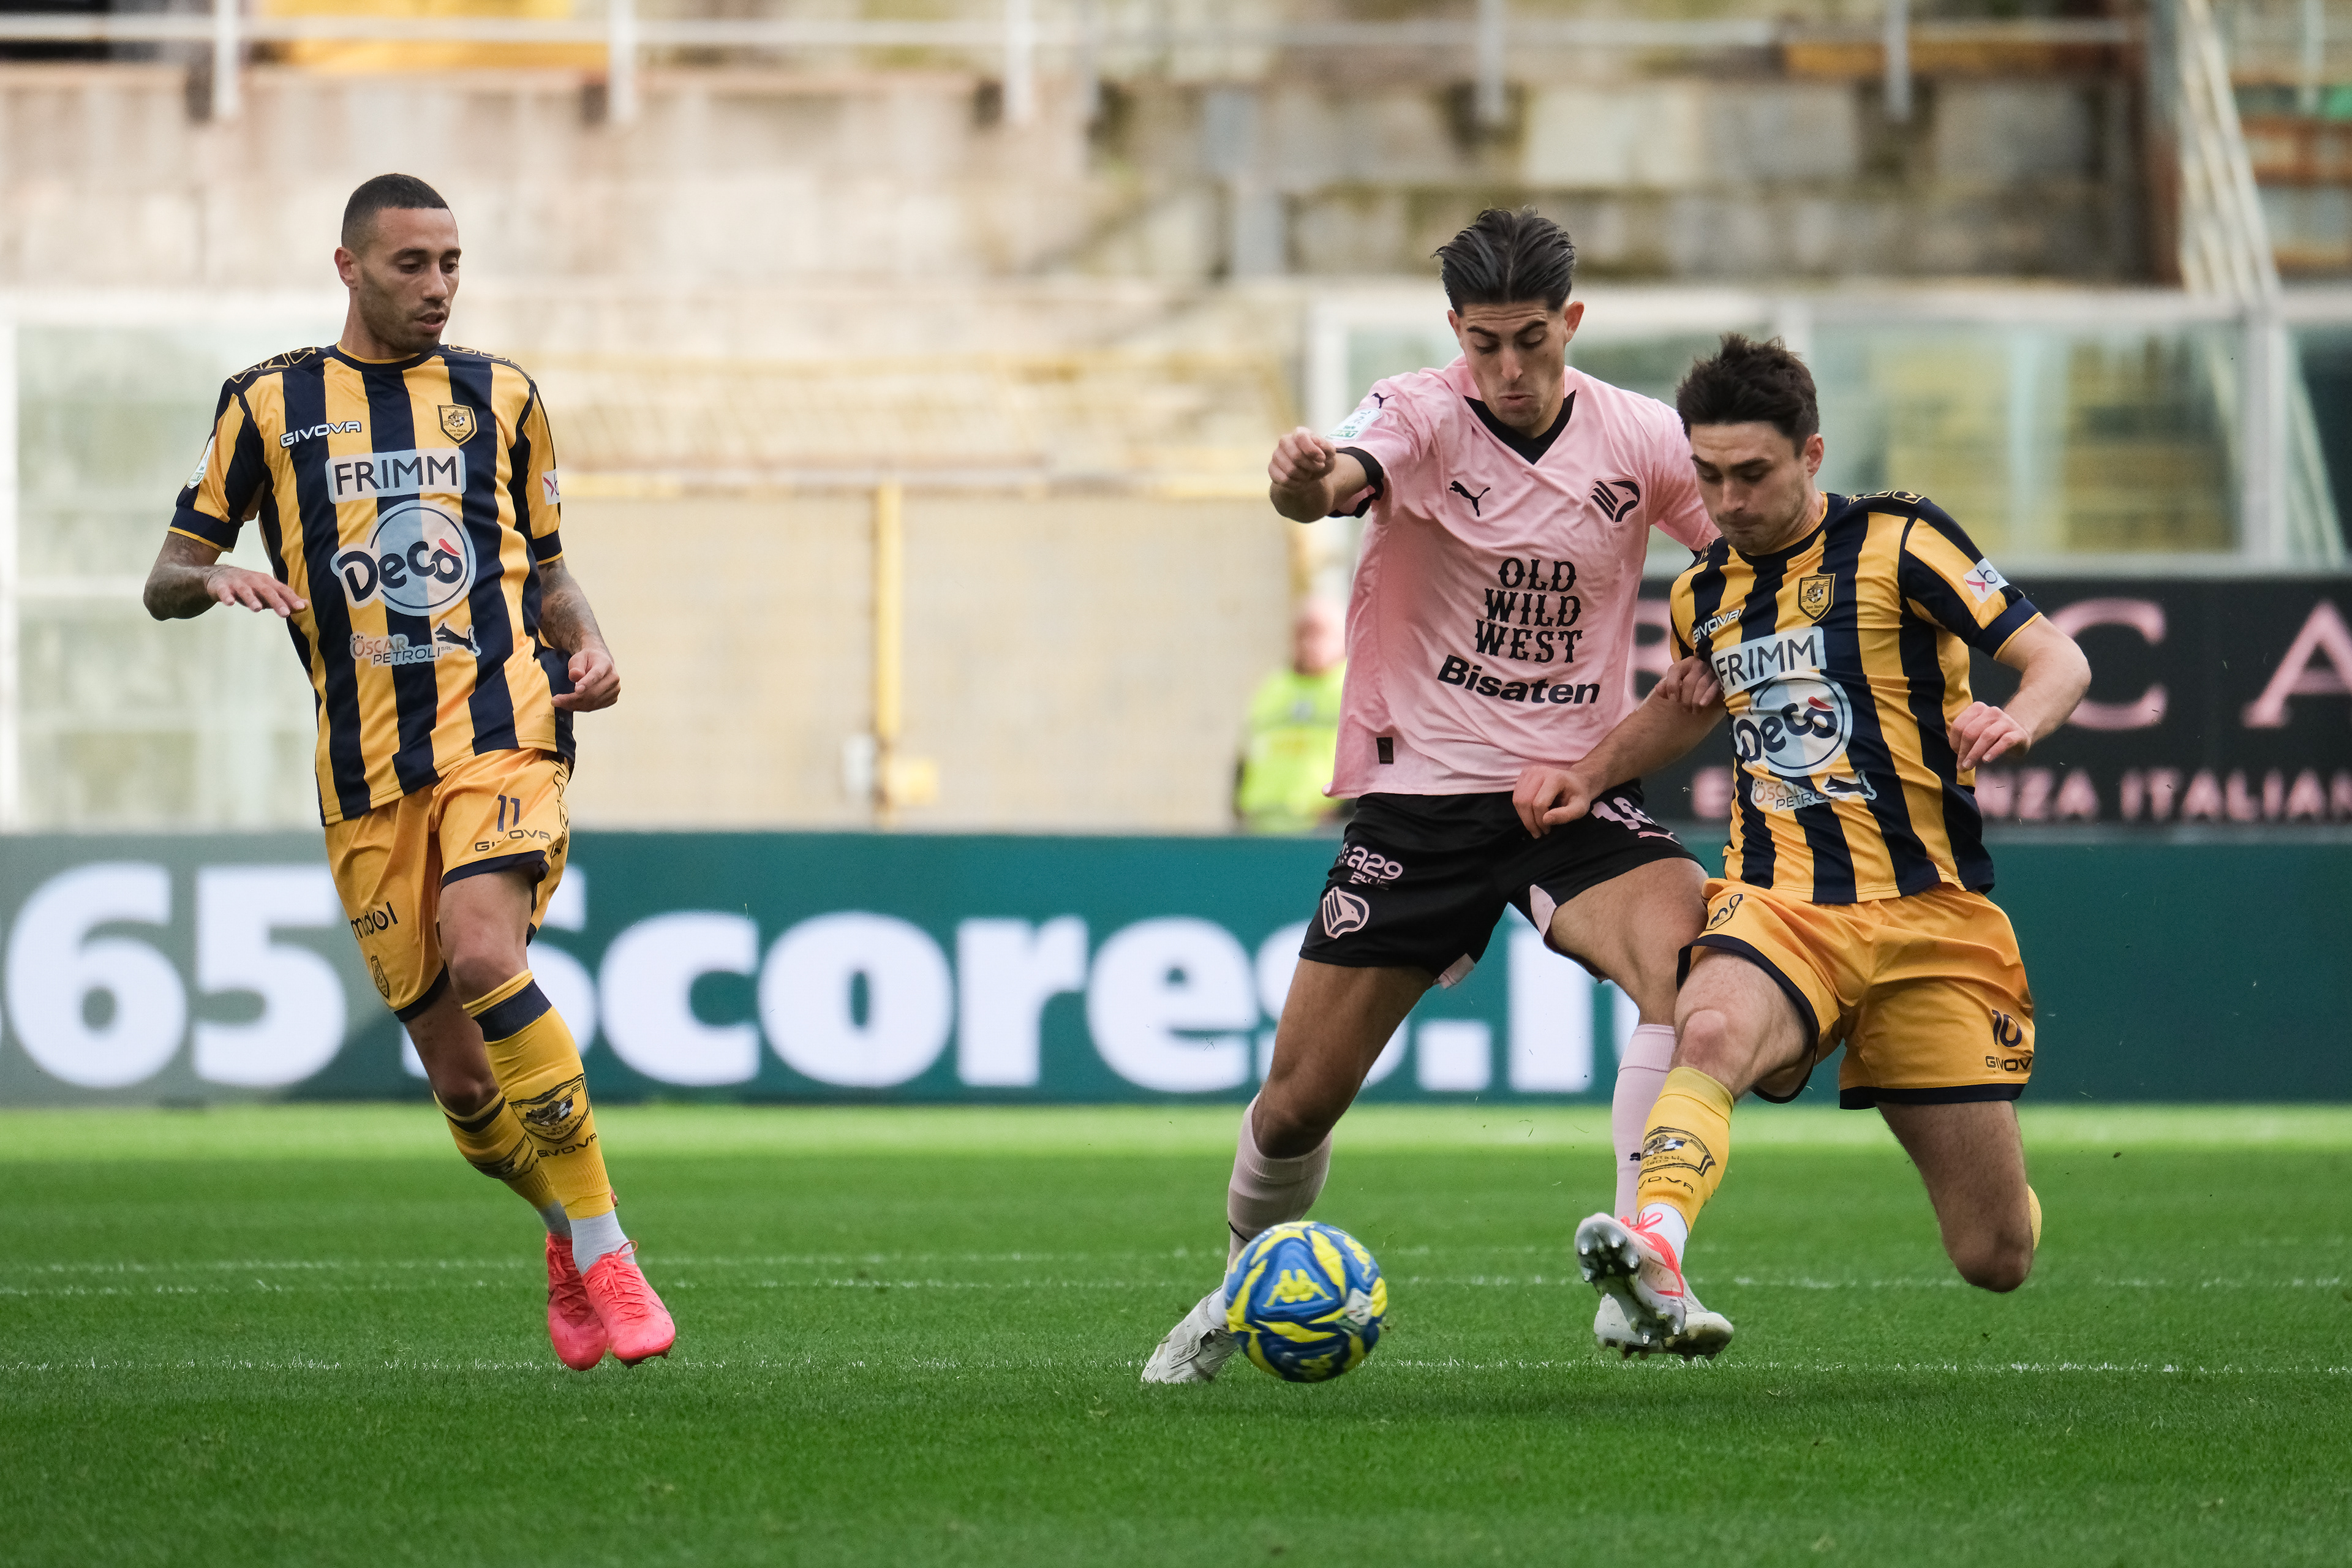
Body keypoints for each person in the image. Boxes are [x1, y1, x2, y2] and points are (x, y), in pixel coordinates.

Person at [1142, 206, 1730, 1382]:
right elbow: (1338, 481)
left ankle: (1644, 1275)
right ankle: (1241, 1284)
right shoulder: (1413, 410)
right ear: (1453, 333)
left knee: (1690, 964)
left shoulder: (1645, 439)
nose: (1509, 372)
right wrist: (1307, 481)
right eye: (1484, 344)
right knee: (1297, 1106)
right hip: (1419, 807)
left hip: (1572, 794)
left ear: (1571, 322)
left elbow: (1745, 542)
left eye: (1531, 341)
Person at [141, 173, 676, 1371]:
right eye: (410, 265)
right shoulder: (269, 406)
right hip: (365, 771)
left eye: (450, 263)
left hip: (504, 725)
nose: (437, 287)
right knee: (466, 1086)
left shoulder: (503, 397)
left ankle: (605, 1243)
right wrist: (211, 580)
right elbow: (166, 573)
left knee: (490, 950)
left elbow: (549, 571)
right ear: (348, 268)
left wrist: (587, 640)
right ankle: (555, 1222)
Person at [1524, 334, 2092, 1353]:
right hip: (1781, 905)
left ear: (1812, 454)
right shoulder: (1704, 593)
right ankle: (1657, 1249)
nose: (1729, 501)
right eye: (1708, 477)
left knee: (1995, 1255)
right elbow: (1685, 705)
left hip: (1934, 919)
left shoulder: (1904, 541)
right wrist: (1589, 773)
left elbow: (2059, 658)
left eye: (1753, 475)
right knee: (1708, 1033)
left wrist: (2021, 718)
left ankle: (2004, 1198)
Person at [1234, 598, 1348, 834]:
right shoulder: (1272, 689)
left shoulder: (1353, 690)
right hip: (1261, 830)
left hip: (1326, 832)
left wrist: (1346, 813)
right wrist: (1239, 810)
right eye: (1301, 634)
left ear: (1345, 638)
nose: (1309, 643)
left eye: (1319, 634)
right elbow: (1244, 758)